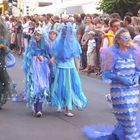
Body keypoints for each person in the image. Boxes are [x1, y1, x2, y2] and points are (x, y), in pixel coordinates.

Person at [83, 28, 140, 140]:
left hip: (133, 90)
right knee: (127, 116)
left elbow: (138, 68)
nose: (128, 40)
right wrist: (120, 78)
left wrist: (136, 76)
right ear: (118, 40)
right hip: (119, 90)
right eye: (125, 37)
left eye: (129, 37)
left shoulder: (135, 51)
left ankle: (122, 134)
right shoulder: (111, 53)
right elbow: (107, 73)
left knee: (131, 117)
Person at [50, 22, 87, 117]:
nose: (66, 33)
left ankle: (67, 107)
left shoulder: (73, 43)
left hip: (70, 68)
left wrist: (77, 69)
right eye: (65, 31)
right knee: (61, 86)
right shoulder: (60, 42)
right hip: (62, 68)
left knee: (69, 87)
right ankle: (62, 105)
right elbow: (55, 54)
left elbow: (75, 57)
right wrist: (52, 59)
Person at [23, 29, 51, 117]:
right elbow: (27, 57)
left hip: (42, 67)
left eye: (38, 35)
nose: (37, 37)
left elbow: (49, 56)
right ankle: (36, 108)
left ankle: (39, 109)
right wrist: (33, 58)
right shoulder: (31, 44)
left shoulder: (45, 44)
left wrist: (43, 58)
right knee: (34, 87)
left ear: (41, 36)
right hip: (33, 67)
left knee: (42, 86)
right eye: (35, 35)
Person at [0, 21, 16, 109]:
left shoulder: (3, 41)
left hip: (1, 64)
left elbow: (8, 52)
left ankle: (1, 100)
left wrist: (4, 47)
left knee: (4, 81)